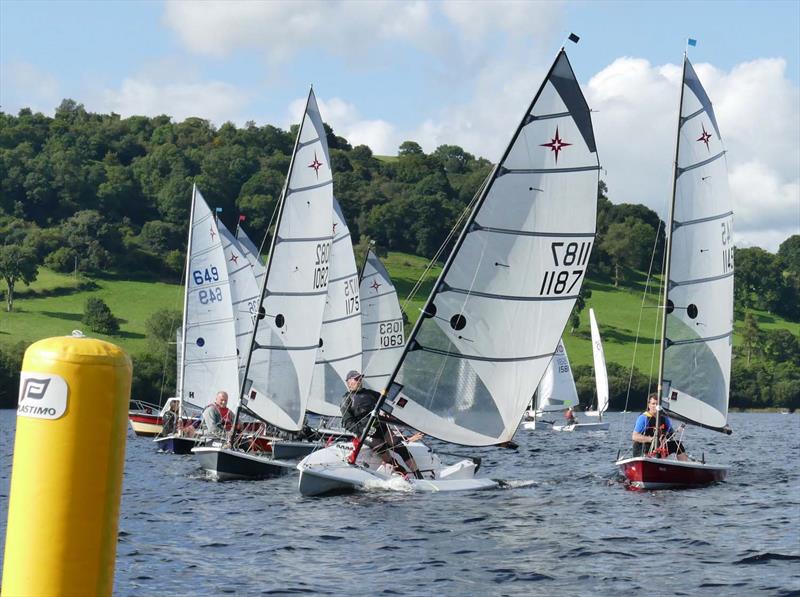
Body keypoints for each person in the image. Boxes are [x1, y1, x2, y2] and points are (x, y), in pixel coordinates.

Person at [340, 370, 423, 479]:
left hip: (380, 427)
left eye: (360, 379)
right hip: (364, 433)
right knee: (381, 447)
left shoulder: (370, 394)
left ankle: (418, 475)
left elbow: (388, 401)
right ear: (349, 382)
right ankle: (400, 471)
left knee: (399, 446)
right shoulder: (346, 400)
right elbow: (347, 423)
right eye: (356, 379)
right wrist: (364, 430)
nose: (359, 381)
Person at [632, 393, 689, 461]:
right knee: (646, 447)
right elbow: (635, 436)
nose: (656, 406)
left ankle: (684, 468)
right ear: (649, 405)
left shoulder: (664, 418)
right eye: (653, 404)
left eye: (658, 404)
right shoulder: (643, 418)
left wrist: (666, 437)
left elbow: (671, 434)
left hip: (659, 449)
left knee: (677, 445)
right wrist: (652, 439)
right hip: (643, 451)